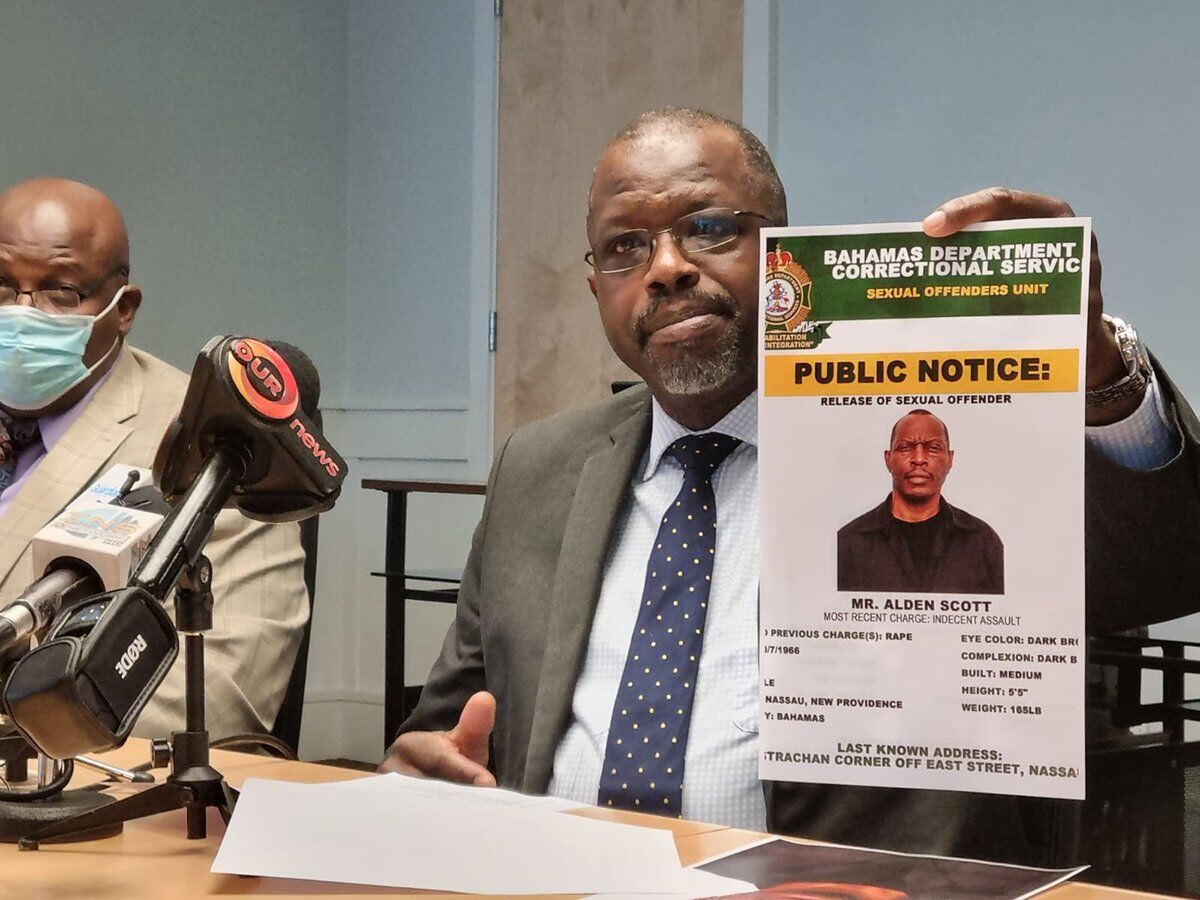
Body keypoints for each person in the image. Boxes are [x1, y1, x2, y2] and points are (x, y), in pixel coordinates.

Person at [381, 109, 1200, 862]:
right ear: (599, 288)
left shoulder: (924, 435)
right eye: (625, 246)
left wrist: (1101, 374)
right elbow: (445, 732)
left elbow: (1169, 567)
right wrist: (421, 773)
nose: (665, 268)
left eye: (709, 228)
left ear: (785, 251)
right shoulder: (537, 465)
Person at [0, 177, 309, 740]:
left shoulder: (215, 445)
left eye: (60, 293)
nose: (20, 314)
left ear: (123, 309)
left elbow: (218, 693)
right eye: (0, 286)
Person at [837, 409, 1004, 594]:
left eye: (933, 448)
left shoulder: (983, 542)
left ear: (950, 459)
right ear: (888, 459)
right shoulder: (848, 542)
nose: (918, 459)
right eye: (905, 447)